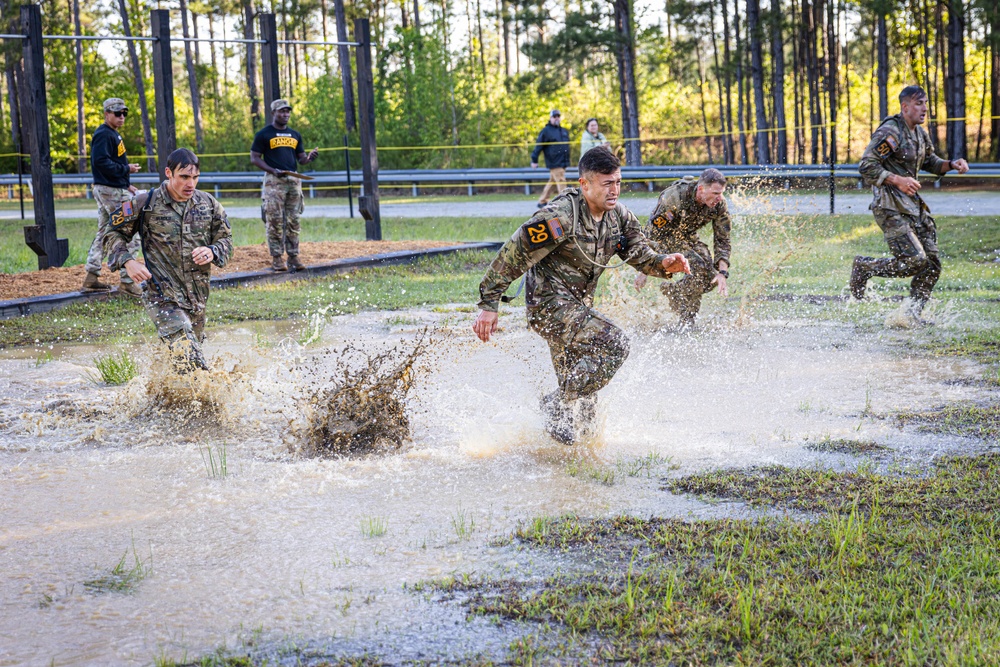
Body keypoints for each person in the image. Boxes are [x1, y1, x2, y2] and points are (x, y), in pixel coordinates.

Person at [473, 147, 690, 445]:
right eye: (606, 184)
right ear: (585, 184)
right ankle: (555, 403)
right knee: (615, 344)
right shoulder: (560, 216)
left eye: (617, 182)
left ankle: (572, 453)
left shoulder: (619, 216)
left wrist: (664, 263)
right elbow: (514, 253)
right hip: (549, 308)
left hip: (578, 307)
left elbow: (638, 253)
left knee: (584, 405)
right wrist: (489, 304)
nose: (614, 190)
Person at [104, 148, 233, 372]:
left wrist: (213, 251)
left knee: (184, 363)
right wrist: (128, 261)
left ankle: (165, 399)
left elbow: (227, 241)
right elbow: (110, 233)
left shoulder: (208, 204)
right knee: (192, 363)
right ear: (168, 173)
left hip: (196, 299)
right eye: (184, 177)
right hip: (161, 295)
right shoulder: (145, 202)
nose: (190, 184)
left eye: (195, 177)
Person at [853, 85, 969, 322]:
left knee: (932, 263)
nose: (925, 108)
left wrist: (952, 164)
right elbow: (866, 166)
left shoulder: (919, 133)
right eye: (919, 104)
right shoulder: (891, 132)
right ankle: (865, 267)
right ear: (905, 107)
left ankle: (912, 315)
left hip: (912, 205)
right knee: (914, 260)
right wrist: (897, 180)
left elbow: (931, 162)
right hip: (889, 206)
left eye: (926, 103)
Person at [633, 168, 732, 328]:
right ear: (701, 189)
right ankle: (688, 320)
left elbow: (723, 239)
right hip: (665, 238)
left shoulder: (719, 204)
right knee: (698, 269)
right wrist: (644, 268)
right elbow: (652, 232)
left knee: (711, 278)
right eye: (715, 193)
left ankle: (674, 292)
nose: (719, 198)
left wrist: (722, 273)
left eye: (721, 193)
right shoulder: (674, 197)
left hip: (688, 238)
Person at [250, 99, 319, 272]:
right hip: (274, 182)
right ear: (273, 113)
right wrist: (272, 170)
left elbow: (301, 159)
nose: (285, 114)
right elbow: (255, 158)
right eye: (282, 111)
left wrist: (309, 158)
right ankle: (277, 258)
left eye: (287, 111)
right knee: (275, 221)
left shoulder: (295, 135)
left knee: (293, 220)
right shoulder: (264, 134)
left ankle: (294, 257)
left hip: (293, 181)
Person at [82, 97, 142, 295]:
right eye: (117, 113)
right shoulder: (103, 134)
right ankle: (127, 281)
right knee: (130, 230)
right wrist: (127, 168)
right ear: (106, 114)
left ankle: (91, 277)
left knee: (104, 232)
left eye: (124, 113)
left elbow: (108, 167)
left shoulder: (111, 134)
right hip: (110, 192)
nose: (121, 117)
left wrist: (126, 184)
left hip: (112, 188)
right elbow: (100, 163)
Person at [530, 109, 571, 208]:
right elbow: (539, 146)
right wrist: (534, 159)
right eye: (554, 116)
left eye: (558, 116)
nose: (557, 118)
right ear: (551, 118)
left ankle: (542, 201)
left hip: (563, 161)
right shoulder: (546, 131)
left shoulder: (563, 131)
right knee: (561, 180)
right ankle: (564, 203)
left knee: (553, 181)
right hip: (554, 161)